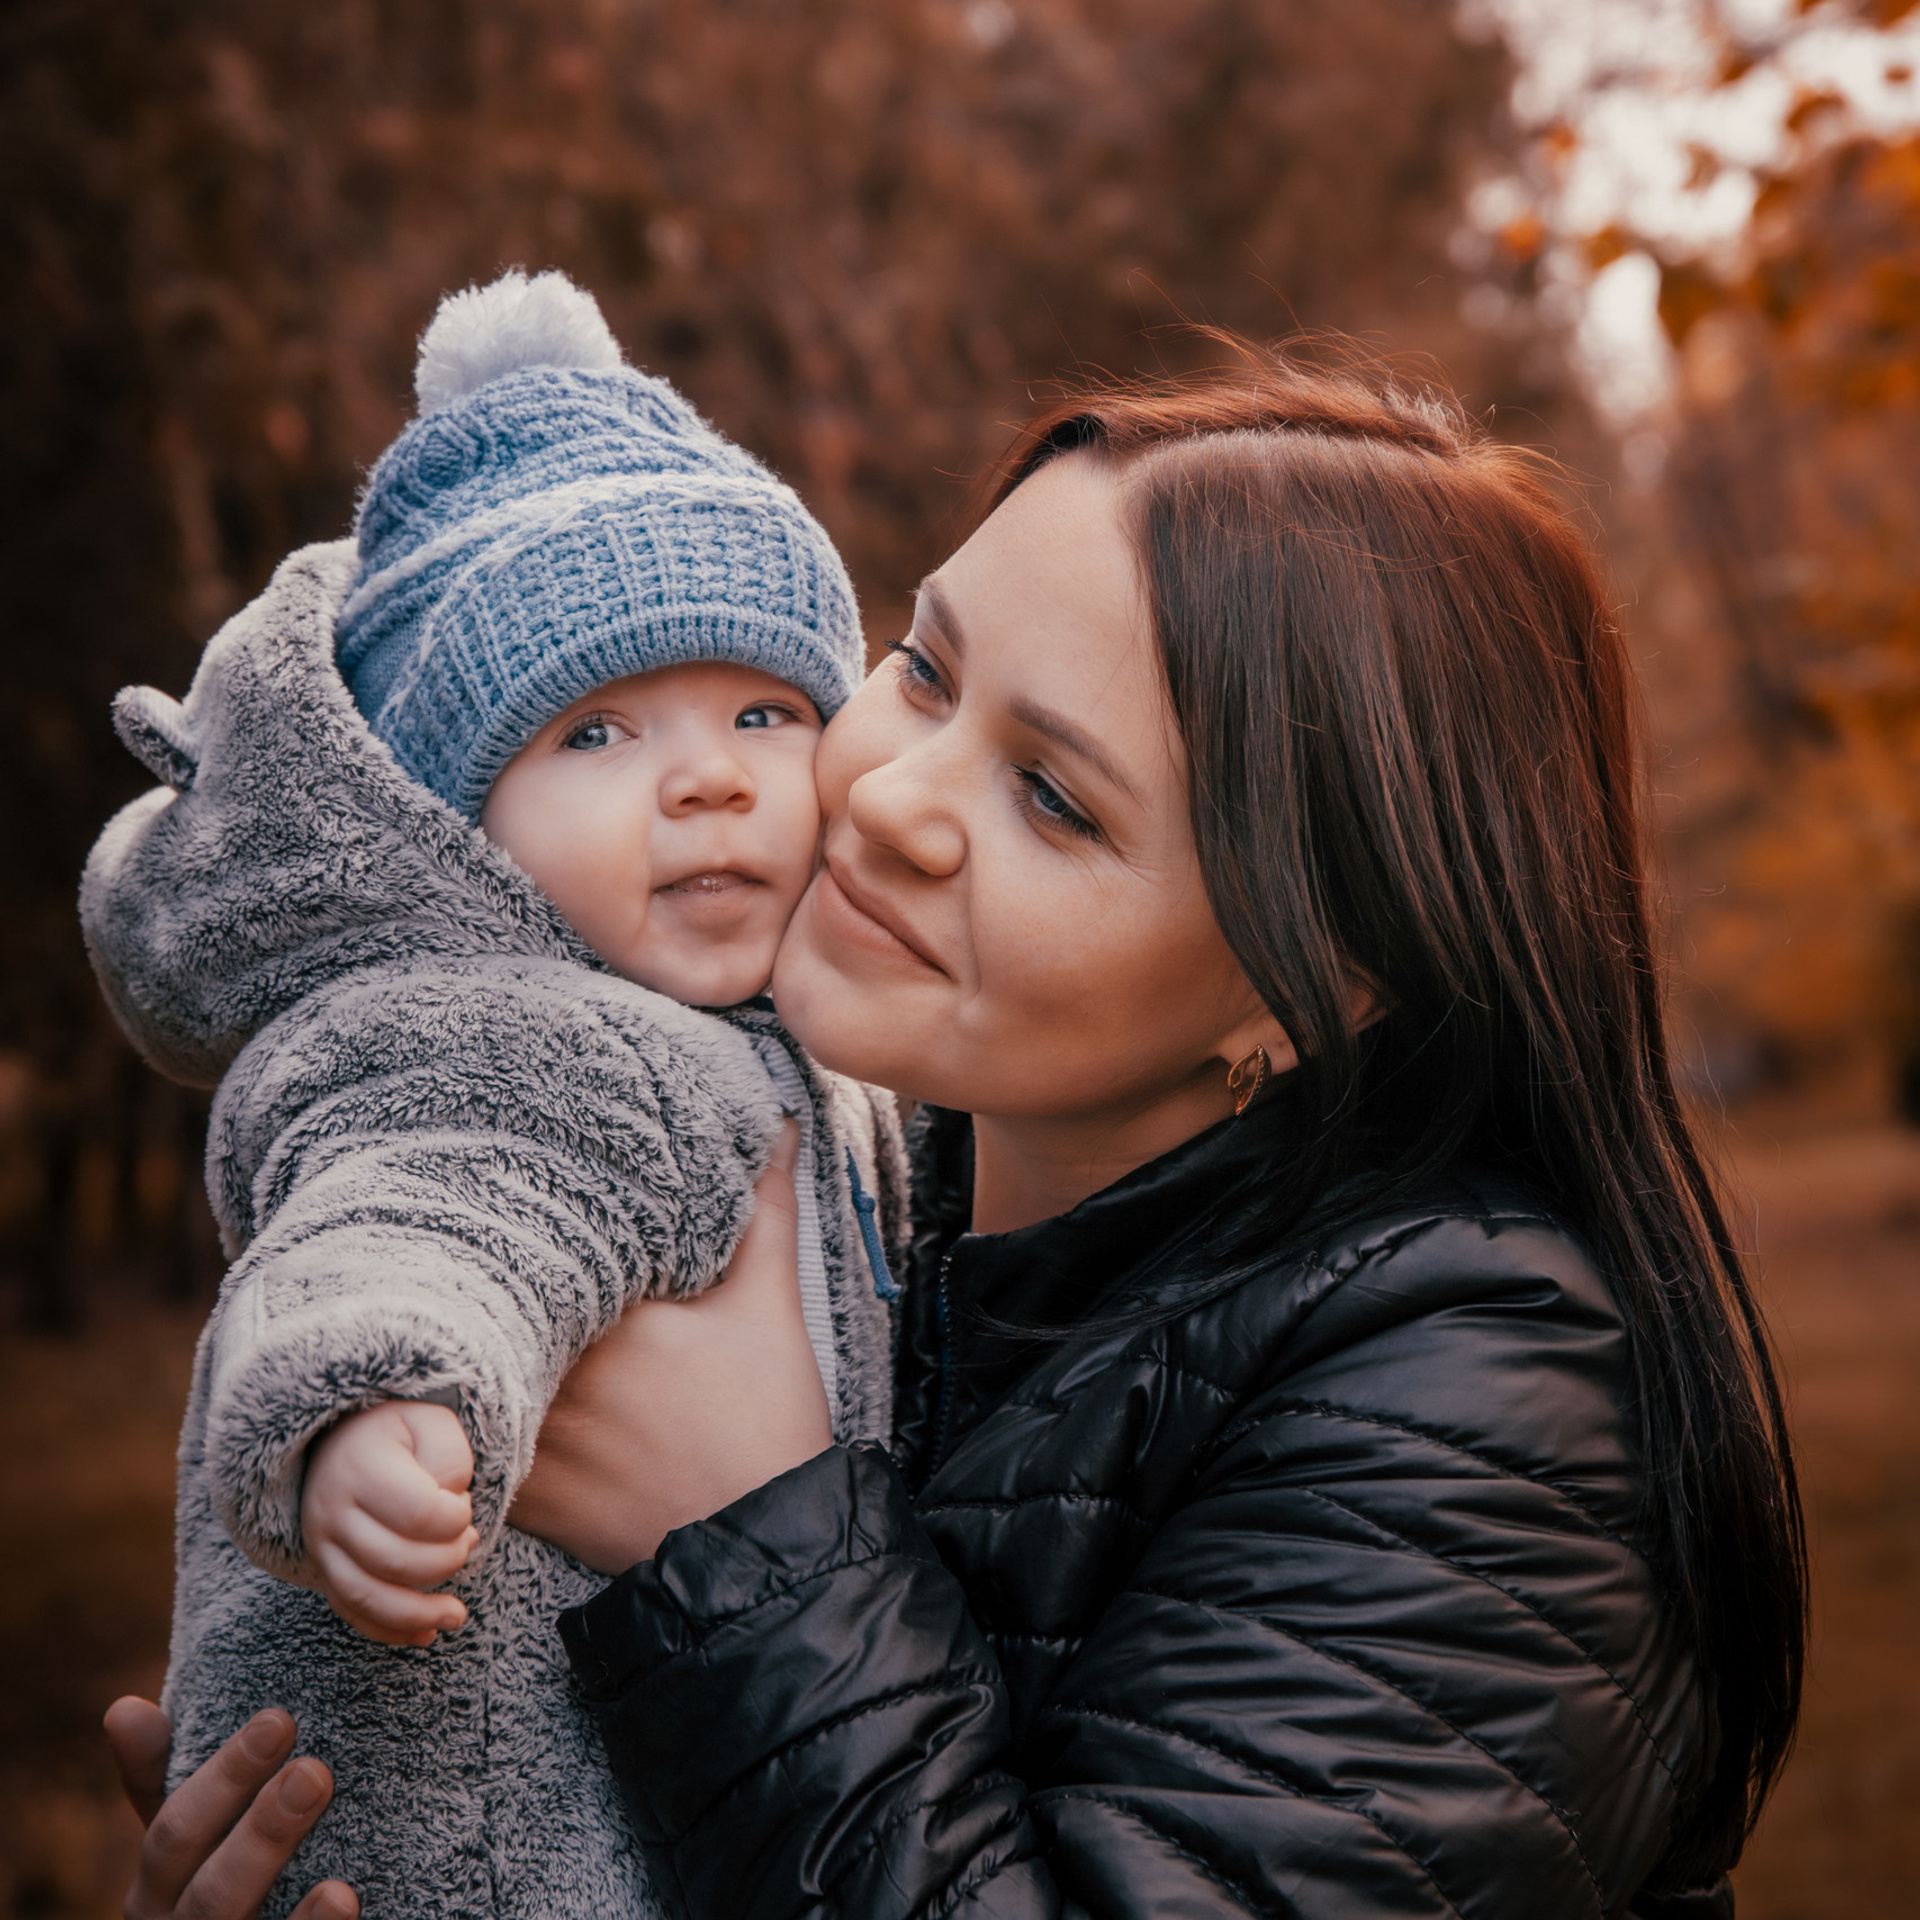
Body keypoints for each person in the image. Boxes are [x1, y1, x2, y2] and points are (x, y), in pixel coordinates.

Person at [109, 347, 1806, 1920]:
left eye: (1055, 798)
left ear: (1311, 994)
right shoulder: (852, 1173)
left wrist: (757, 1539)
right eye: (922, 669)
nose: (891, 796)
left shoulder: (1492, 1408)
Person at [82, 270, 905, 1920]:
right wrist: (375, 1402)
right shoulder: (492, 1028)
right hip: (477, 1841)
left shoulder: (799, 1041)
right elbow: (416, 1208)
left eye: (765, 709)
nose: (710, 774)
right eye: (596, 732)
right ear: (457, 826)